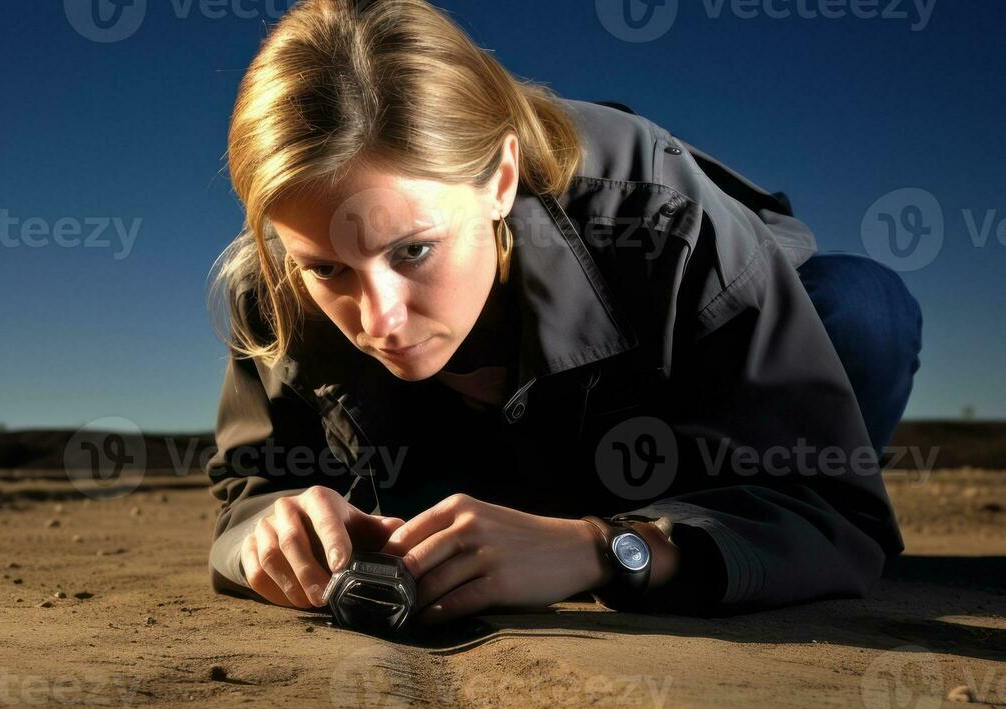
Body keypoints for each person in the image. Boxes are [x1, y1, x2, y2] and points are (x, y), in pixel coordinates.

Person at [203, 0, 921, 625]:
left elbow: (837, 514)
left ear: (500, 179)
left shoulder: (658, 215)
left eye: (415, 250)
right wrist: (272, 527)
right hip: (467, 473)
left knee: (860, 310)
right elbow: (251, 489)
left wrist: (610, 549)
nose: (381, 321)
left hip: (677, 453)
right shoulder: (269, 279)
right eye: (326, 270)